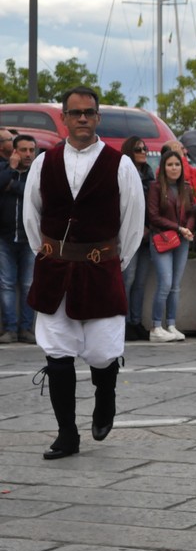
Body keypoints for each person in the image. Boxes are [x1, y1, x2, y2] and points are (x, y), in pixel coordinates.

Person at [23, 86, 145, 459]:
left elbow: (132, 222)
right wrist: (50, 254)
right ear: (64, 117)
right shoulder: (45, 162)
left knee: (103, 351)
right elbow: (32, 214)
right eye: (74, 113)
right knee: (56, 353)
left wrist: (110, 261)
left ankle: (104, 399)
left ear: (97, 118)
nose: (81, 119)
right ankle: (66, 433)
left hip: (99, 270)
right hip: (55, 270)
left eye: (88, 113)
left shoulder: (119, 164)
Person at [146, 150, 195, 342]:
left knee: (175, 285)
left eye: (177, 165)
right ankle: (156, 326)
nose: (174, 168)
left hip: (182, 240)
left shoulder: (186, 188)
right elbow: (153, 216)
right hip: (162, 239)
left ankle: (171, 324)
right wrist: (179, 228)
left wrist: (188, 229)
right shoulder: (156, 187)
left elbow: (191, 212)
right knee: (165, 283)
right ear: (163, 167)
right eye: (170, 165)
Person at [0, 134, 37, 343]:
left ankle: (26, 328)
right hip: (4, 238)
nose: (28, 154)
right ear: (14, 152)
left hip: (29, 239)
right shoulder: (4, 169)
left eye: (31, 150)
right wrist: (12, 170)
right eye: (23, 150)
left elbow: (36, 195)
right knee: (6, 284)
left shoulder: (37, 174)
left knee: (28, 285)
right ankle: (10, 329)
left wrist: (12, 187)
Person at [120, 135, 155, 341]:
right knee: (128, 280)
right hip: (128, 235)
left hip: (148, 235)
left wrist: (149, 227)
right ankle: (122, 322)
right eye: (138, 149)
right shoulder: (123, 175)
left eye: (144, 149)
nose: (143, 152)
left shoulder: (150, 176)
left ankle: (135, 321)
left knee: (140, 282)